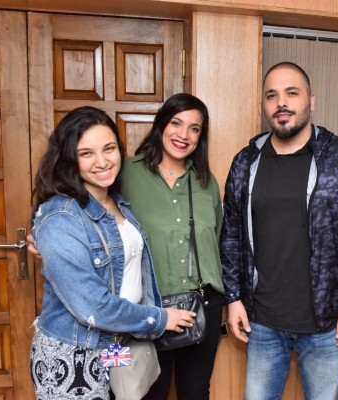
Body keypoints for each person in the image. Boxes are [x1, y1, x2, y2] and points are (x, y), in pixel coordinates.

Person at [221, 61, 338, 399]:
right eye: (272, 95)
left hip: (326, 323)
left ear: (311, 100)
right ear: (264, 104)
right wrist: (233, 297)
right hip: (261, 320)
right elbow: (231, 233)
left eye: (291, 93)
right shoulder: (246, 161)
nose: (281, 102)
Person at [29, 106, 195, 399]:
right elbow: (94, 306)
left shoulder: (116, 202)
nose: (103, 161)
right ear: (69, 158)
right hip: (75, 355)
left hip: (115, 347)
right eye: (86, 153)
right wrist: (160, 319)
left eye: (109, 148)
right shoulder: (61, 217)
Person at [121, 93, 225, 400]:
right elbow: (85, 207)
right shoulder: (126, 173)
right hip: (149, 308)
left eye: (194, 128)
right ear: (161, 124)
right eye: (176, 123)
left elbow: (219, 240)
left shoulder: (206, 182)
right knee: (150, 392)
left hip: (203, 306)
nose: (184, 134)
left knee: (196, 392)